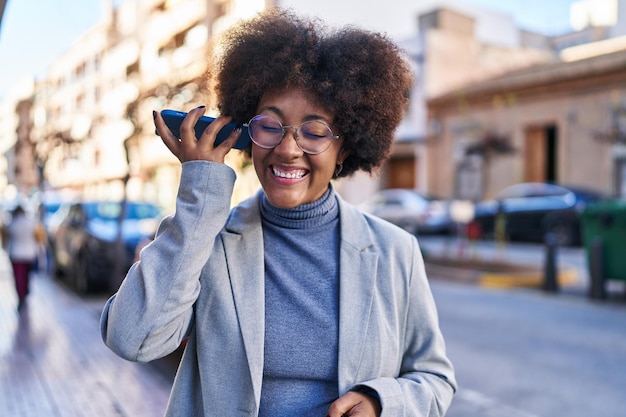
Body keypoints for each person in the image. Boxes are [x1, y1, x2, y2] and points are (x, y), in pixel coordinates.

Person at [101, 8, 456, 417]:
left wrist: (382, 403)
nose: (288, 148)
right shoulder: (208, 243)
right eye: (270, 126)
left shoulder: (397, 251)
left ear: (345, 149)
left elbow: (434, 378)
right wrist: (201, 197)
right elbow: (131, 338)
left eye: (315, 131)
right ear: (248, 137)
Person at [6, 205, 41, 311]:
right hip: (29, 254)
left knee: (19, 277)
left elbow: (7, 237)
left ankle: (21, 295)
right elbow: (38, 237)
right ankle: (25, 293)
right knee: (26, 276)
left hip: (16, 254)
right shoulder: (31, 223)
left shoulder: (12, 224)